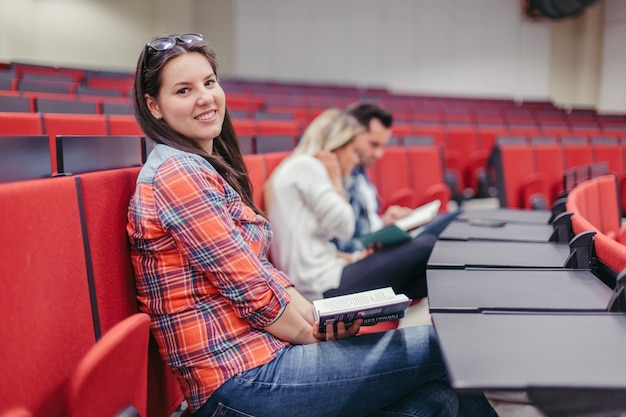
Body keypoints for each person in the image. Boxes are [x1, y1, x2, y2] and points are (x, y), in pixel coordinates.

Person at [127, 32, 498, 417]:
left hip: (264, 360)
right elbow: (252, 290)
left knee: (435, 403)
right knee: (446, 346)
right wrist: (314, 333)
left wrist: (318, 320)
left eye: (209, 82)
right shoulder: (178, 175)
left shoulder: (201, 169)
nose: (205, 97)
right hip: (238, 381)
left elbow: (263, 273)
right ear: (154, 106)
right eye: (184, 91)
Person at [267, 108, 457, 303]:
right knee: (427, 245)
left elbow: (316, 241)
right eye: (354, 151)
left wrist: (352, 258)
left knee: (424, 278)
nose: (357, 160)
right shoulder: (307, 167)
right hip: (319, 286)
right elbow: (344, 226)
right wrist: (336, 180)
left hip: (328, 273)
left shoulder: (303, 167)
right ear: (337, 147)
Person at [335, 101, 460, 255]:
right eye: (373, 145)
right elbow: (342, 243)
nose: (378, 154)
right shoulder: (338, 175)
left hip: (373, 245)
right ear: (351, 136)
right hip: (360, 257)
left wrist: (383, 222)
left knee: (448, 220)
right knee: (425, 244)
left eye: (383, 146)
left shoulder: (361, 170)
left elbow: (365, 225)